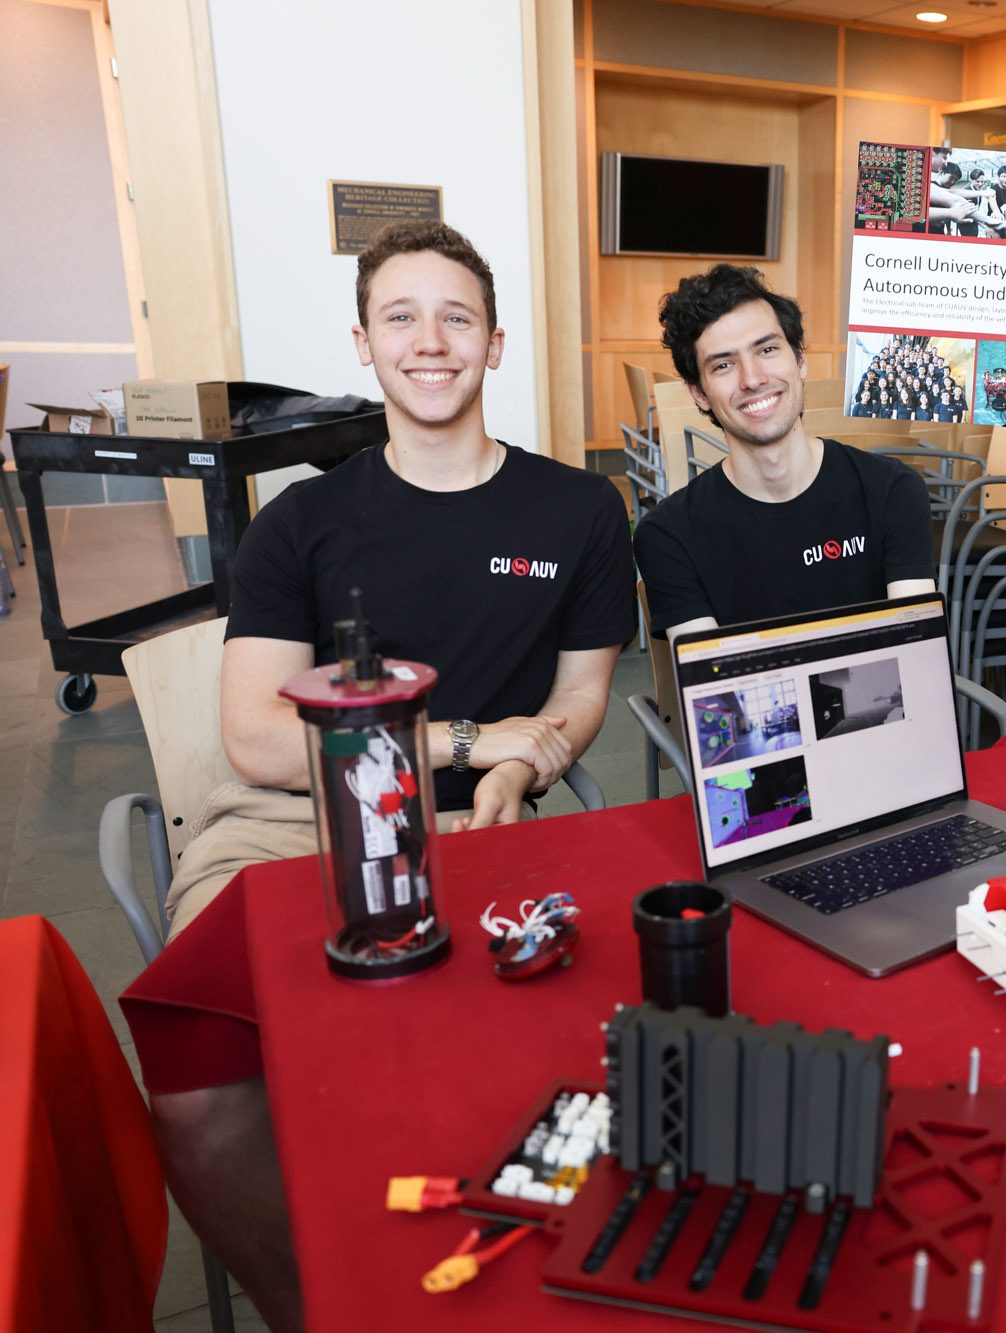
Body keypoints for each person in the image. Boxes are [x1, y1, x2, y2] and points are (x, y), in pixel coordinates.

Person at [147, 219, 636, 1333]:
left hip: (488, 828)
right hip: (290, 819)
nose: (430, 341)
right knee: (200, 1092)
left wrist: (532, 762)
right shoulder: (302, 522)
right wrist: (473, 746)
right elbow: (265, 741)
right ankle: (315, 1308)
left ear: (497, 343)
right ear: (361, 343)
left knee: (561, 1046)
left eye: (456, 317)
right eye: (400, 317)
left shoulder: (578, 511)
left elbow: (578, 699)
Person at [633, 264, 934, 641]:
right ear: (698, 393)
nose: (753, 378)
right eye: (724, 365)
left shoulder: (892, 490)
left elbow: (916, 652)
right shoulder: (668, 535)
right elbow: (715, 692)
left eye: (768, 349)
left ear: (800, 359)